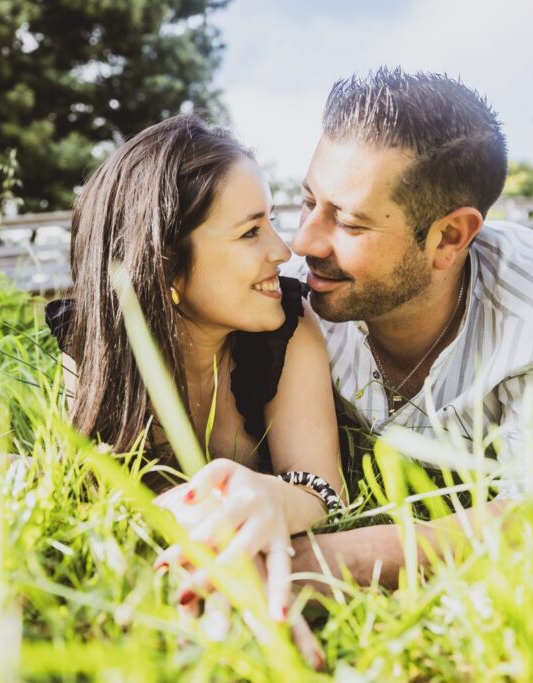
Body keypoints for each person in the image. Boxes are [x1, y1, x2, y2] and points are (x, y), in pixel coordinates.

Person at [281, 68, 533, 587]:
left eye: (351, 223)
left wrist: (312, 564)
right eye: (310, 201)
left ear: (449, 236)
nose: (303, 243)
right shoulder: (285, 290)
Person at [46, 114, 343, 667]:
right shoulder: (91, 350)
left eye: (271, 222)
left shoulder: (287, 324)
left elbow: (324, 488)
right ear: (167, 268)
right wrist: (226, 550)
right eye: (250, 231)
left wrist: (273, 500)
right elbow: (103, 497)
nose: (283, 250)